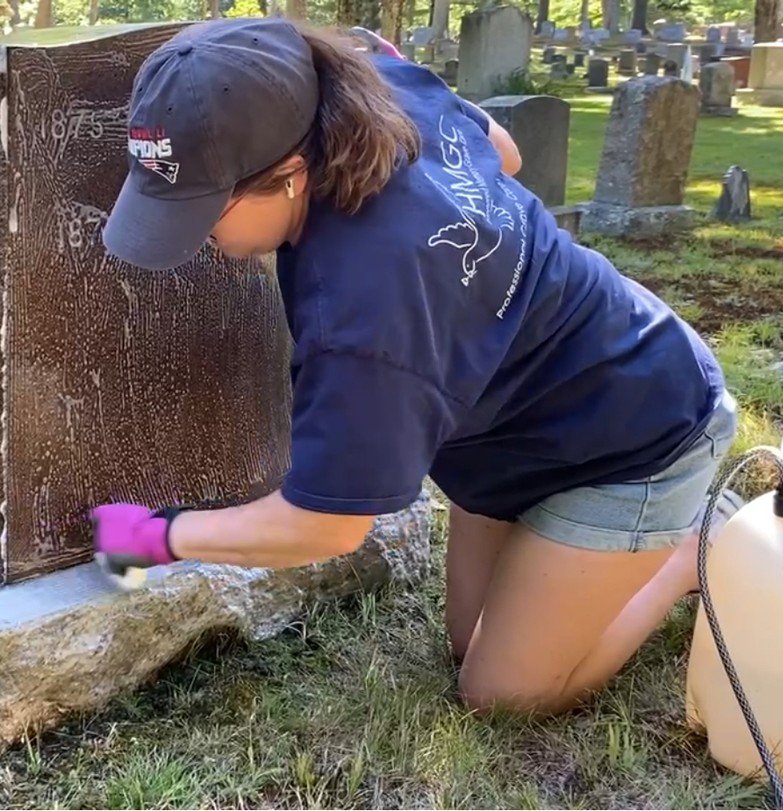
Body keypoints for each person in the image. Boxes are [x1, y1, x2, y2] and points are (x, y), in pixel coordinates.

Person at [89, 17, 740, 715]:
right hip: (518, 429)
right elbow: (507, 153)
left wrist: (158, 535)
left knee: (499, 691)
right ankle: (564, 546)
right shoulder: (372, 91)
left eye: (204, 216)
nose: (199, 244)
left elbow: (324, 525)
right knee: (468, 640)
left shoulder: (365, 308)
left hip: (638, 432)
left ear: (289, 174)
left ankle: (691, 546)